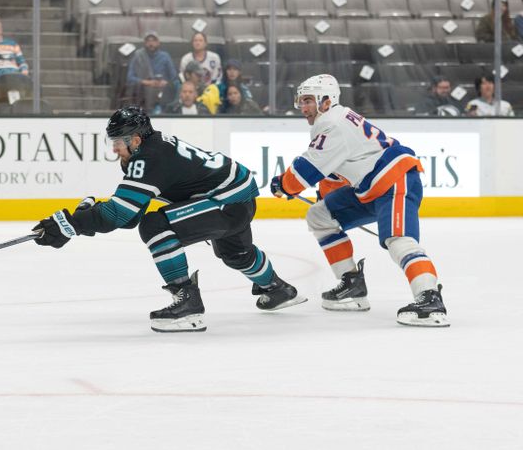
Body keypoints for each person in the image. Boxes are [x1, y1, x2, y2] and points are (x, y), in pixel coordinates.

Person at [32, 106, 306, 333]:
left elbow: (120, 214)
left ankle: (187, 300)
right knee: (235, 252)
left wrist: (68, 223)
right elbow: (128, 214)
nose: (115, 148)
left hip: (227, 201)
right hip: (235, 195)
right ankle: (279, 289)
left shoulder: (149, 159)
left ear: (136, 139)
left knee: (155, 225)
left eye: (118, 141)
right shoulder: (152, 148)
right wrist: (82, 219)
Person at [270, 74, 449, 327]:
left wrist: (283, 184)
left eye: (309, 100)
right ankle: (352, 284)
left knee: (398, 240)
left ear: (326, 101)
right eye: (301, 101)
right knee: (320, 215)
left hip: (393, 179)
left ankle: (430, 299)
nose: (303, 107)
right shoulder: (335, 120)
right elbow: (332, 173)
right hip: (369, 187)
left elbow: (303, 173)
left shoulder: (332, 125)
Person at [125, 31, 178, 113]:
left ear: (158, 43)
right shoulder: (138, 56)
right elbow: (130, 78)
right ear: (145, 43)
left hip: (162, 93)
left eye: (153, 41)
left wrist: (165, 82)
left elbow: (174, 78)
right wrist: (147, 82)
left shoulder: (165, 56)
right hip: (142, 96)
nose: (151, 43)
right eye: (148, 41)